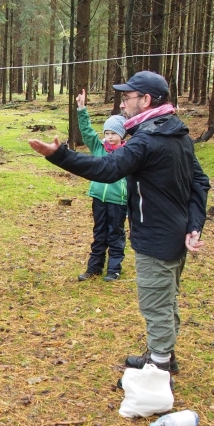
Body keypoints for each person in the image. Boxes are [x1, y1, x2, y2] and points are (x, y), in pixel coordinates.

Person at [28, 72, 210, 374]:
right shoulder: (176, 132)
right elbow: (200, 182)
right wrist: (193, 224)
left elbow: (108, 168)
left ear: (146, 100)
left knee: (156, 305)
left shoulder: (148, 140)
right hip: (172, 234)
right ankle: (161, 355)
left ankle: (159, 372)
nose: (123, 105)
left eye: (127, 99)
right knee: (164, 299)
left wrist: (60, 155)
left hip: (158, 239)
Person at [74, 89, 128, 282]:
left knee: (115, 234)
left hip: (118, 201)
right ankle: (94, 267)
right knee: (99, 233)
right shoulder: (98, 148)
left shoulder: (128, 153)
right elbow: (87, 132)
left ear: (121, 135)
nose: (110, 137)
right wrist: (82, 109)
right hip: (99, 198)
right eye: (107, 133)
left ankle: (113, 269)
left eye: (114, 133)